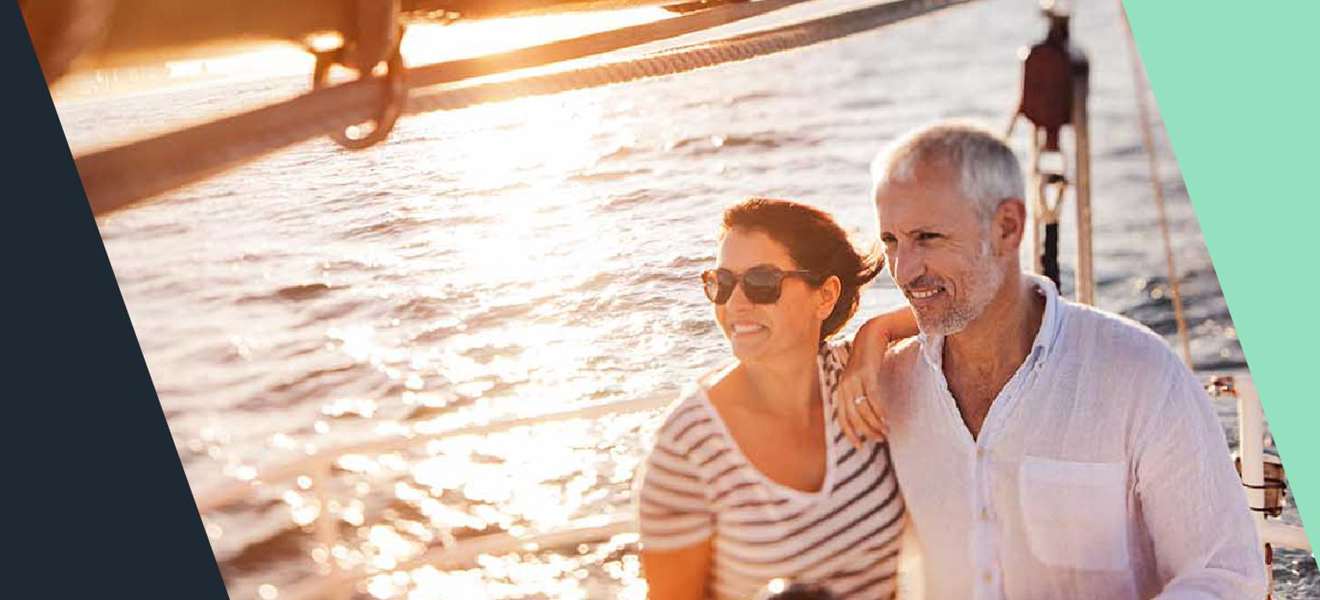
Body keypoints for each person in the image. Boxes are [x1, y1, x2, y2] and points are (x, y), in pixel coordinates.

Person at [832, 122, 1267, 600]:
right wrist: (874, 332)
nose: (903, 270)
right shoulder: (885, 382)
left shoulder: (1140, 373)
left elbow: (1225, 575)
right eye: (891, 240)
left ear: (1007, 227)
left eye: (928, 237)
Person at [636, 198, 906, 600]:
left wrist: (877, 332)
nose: (734, 303)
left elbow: (962, 313)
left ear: (826, 296)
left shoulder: (859, 377)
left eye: (761, 282)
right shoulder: (688, 445)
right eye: (721, 283)